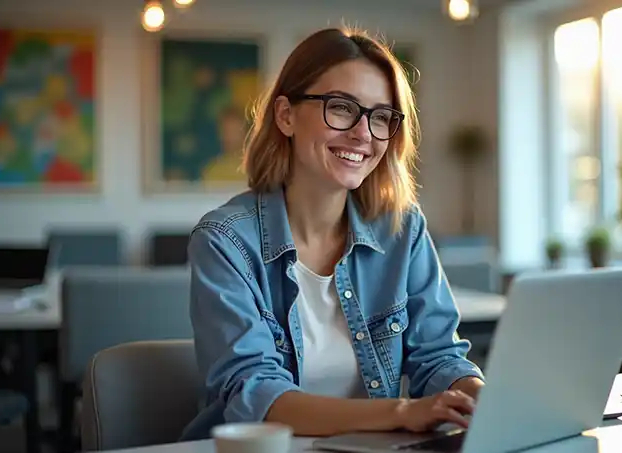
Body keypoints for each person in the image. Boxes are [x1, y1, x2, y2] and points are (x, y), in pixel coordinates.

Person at [181, 27, 485, 441]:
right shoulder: (225, 241)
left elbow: (438, 357)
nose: (364, 133)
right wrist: (403, 412)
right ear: (286, 115)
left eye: (380, 117)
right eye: (342, 108)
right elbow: (257, 396)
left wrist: (478, 397)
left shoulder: (402, 228)